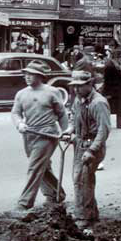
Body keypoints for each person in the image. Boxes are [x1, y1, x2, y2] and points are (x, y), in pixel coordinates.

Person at [11, 61, 70, 212]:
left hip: (47, 134)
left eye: (31, 74)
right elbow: (15, 113)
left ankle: (24, 203)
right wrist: (19, 124)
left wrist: (66, 131)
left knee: (34, 167)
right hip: (29, 134)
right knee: (41, 167)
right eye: (26, 74)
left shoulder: (52, 92)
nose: (27, 77)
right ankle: (56, 193)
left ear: (40, 76)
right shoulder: (21, 94)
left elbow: (61, 114)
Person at [64, 70, 111, 231]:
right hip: (80, 143)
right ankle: (91, 214)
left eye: (80, 86)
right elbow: (73, 116)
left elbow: (103, 131)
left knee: (82, 180)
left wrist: (92, 150)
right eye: (74, 86)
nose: (76, 90)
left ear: (90, 84)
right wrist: (70, 130)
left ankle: (83, 218)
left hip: (92, 146)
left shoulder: (98, 103)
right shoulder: (79, 100)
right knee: (83, 180)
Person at [104, 49, 121, 129]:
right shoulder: (111, 65)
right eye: (120, 57)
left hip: (117, 89)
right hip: (115, 90)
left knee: (119, 107)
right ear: (117, 57)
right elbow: (108, 79)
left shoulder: (115, 64)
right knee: (115, 108)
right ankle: (120, 124)